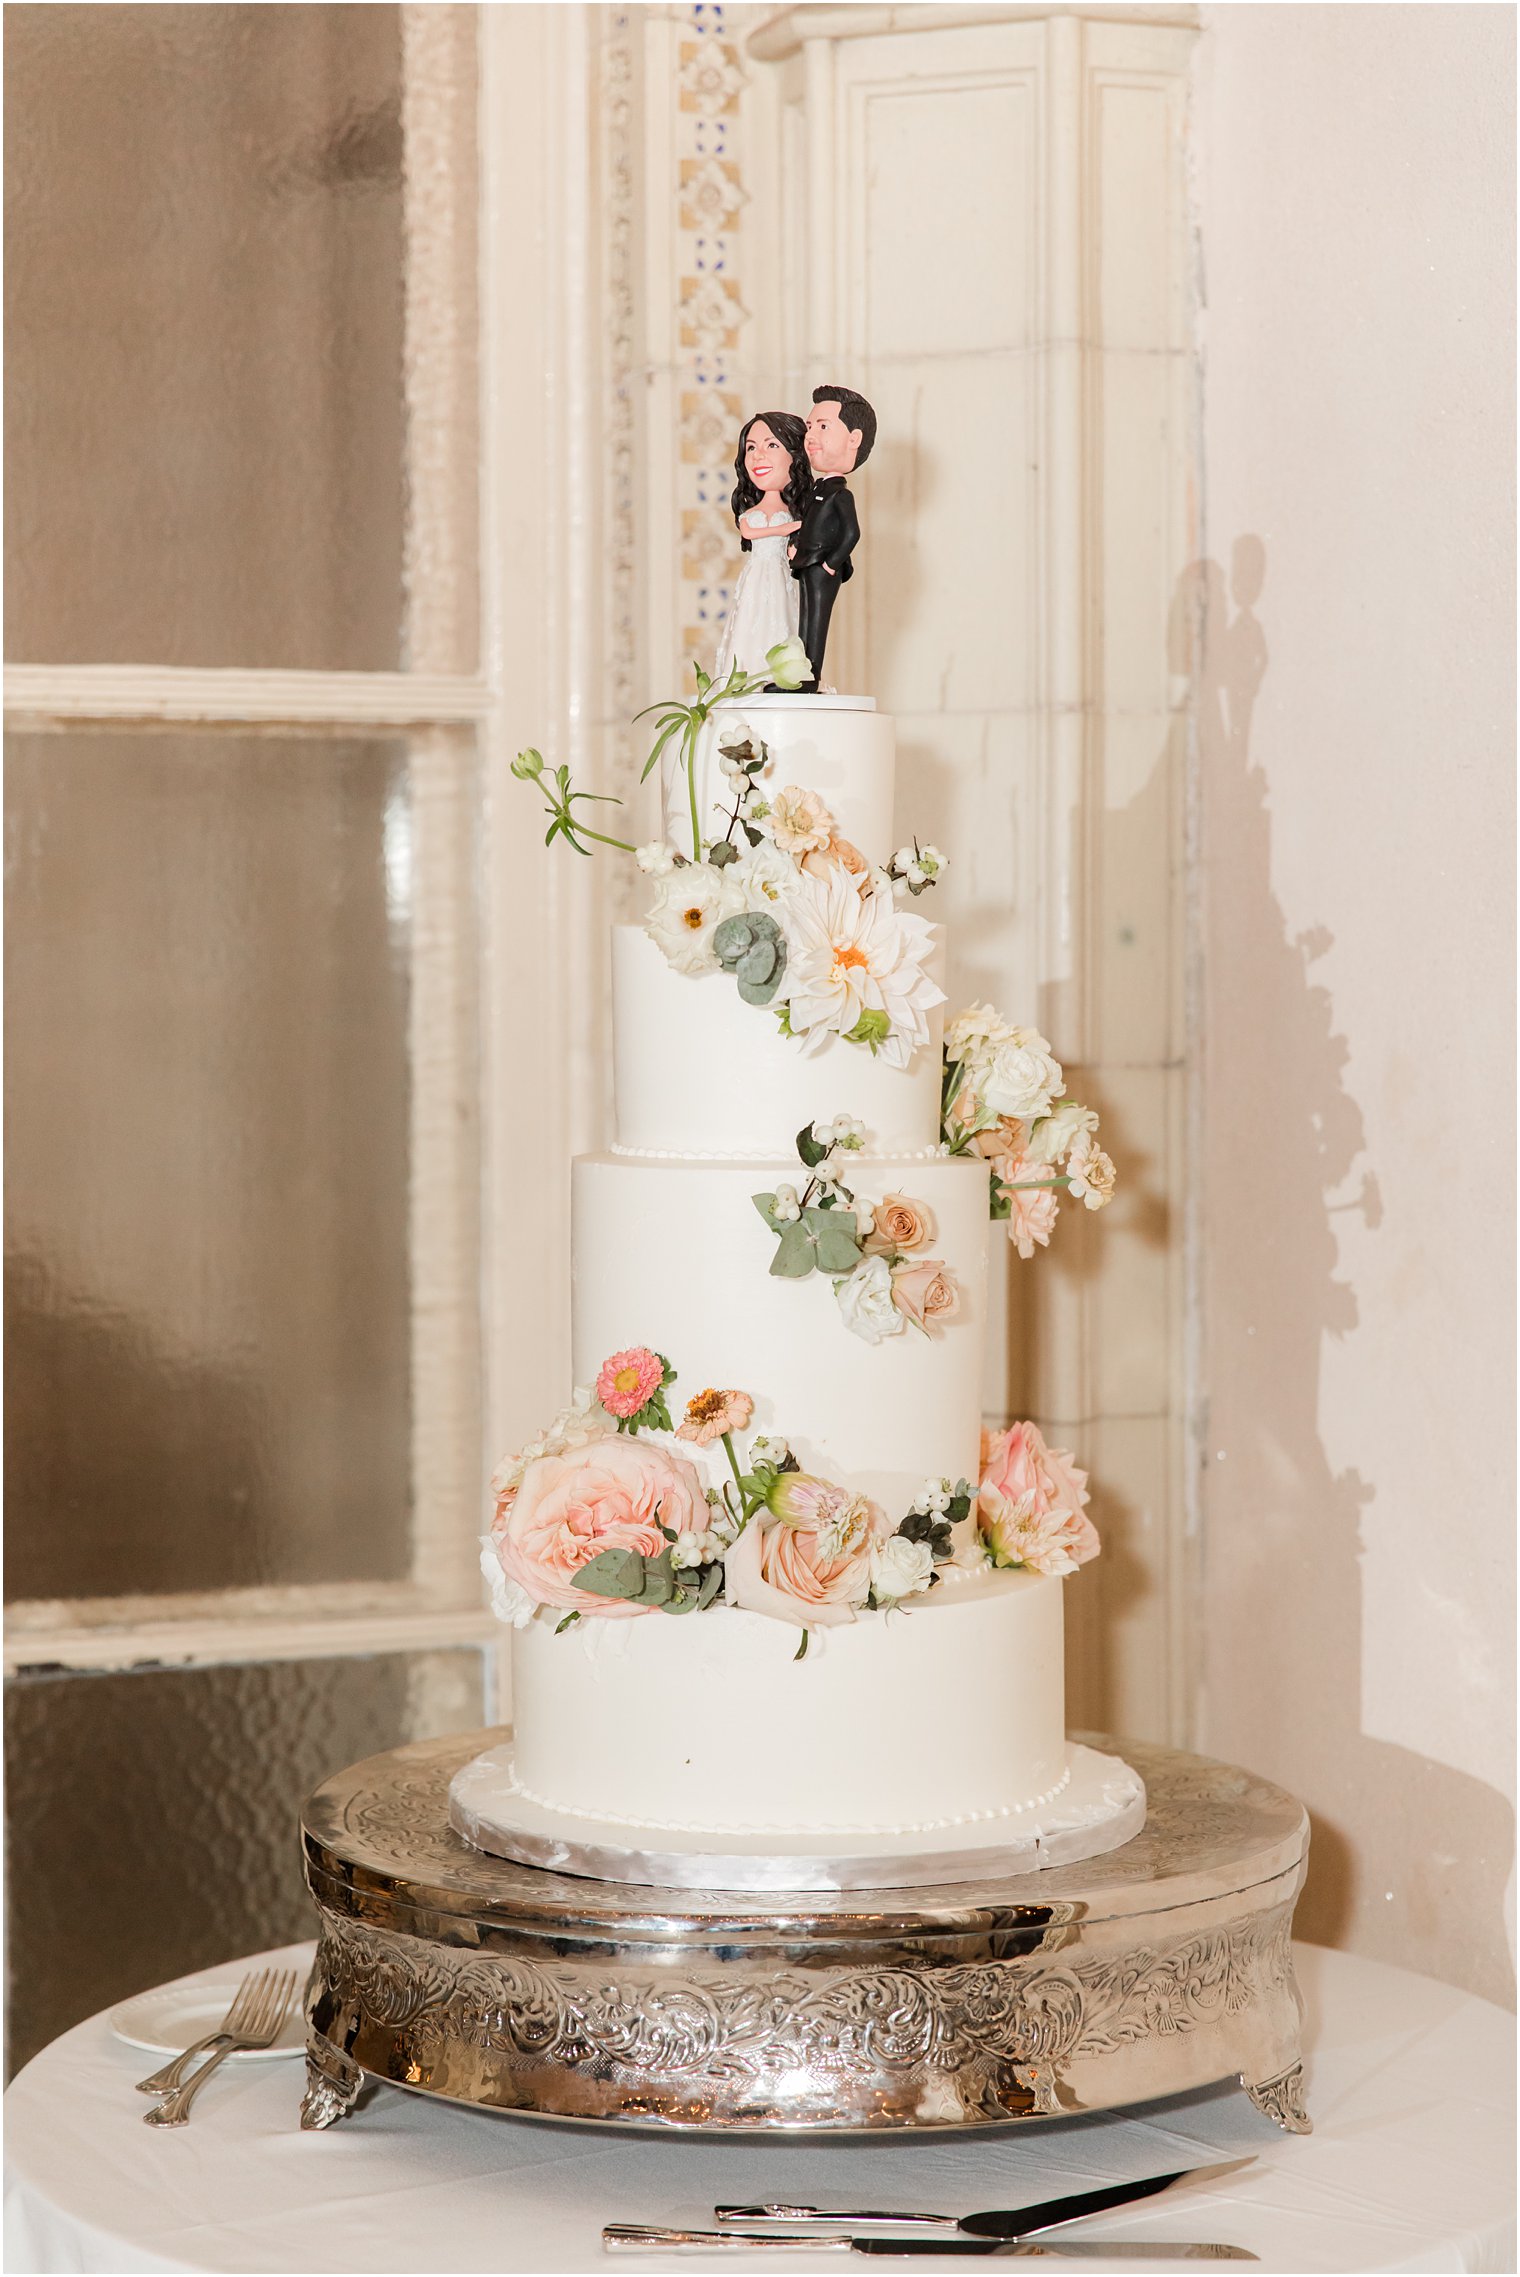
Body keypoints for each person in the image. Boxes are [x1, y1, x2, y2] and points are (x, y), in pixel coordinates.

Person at [713, 411, 814, 684]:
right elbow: (748, 531)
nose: (758, 456)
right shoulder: (751, 513)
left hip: (783, 575)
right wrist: (783, 529)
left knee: (783, 615)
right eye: (751, 448)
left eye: (771, 445)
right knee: (751, 618)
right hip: (757, 573)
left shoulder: (797, 513)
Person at [788, 384, 877, 691]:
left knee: (816, 623)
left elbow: (852, 533)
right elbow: (806, 522)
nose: (810, 436)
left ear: (854, 439)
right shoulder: (816, 489)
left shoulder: (840, 494)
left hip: (823, 568)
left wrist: (830, 564)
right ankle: (797, 674)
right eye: (810, 426)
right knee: (803, 619)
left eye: (823, 426)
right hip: (806, 562)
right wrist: (794, 545)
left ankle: (809, 679)